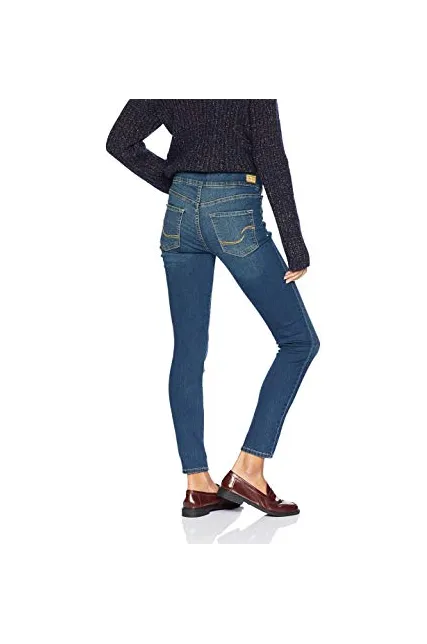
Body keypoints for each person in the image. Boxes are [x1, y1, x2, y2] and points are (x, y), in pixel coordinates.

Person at [106, 96, 320, 518]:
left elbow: (120, 141)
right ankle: (249, 469)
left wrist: (177, 181)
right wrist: (295, 244)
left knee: (188, 352)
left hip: (180, 212)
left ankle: (198, 485)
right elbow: (271, 158)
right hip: (233, 210)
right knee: (299, 342)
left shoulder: (166, 73)